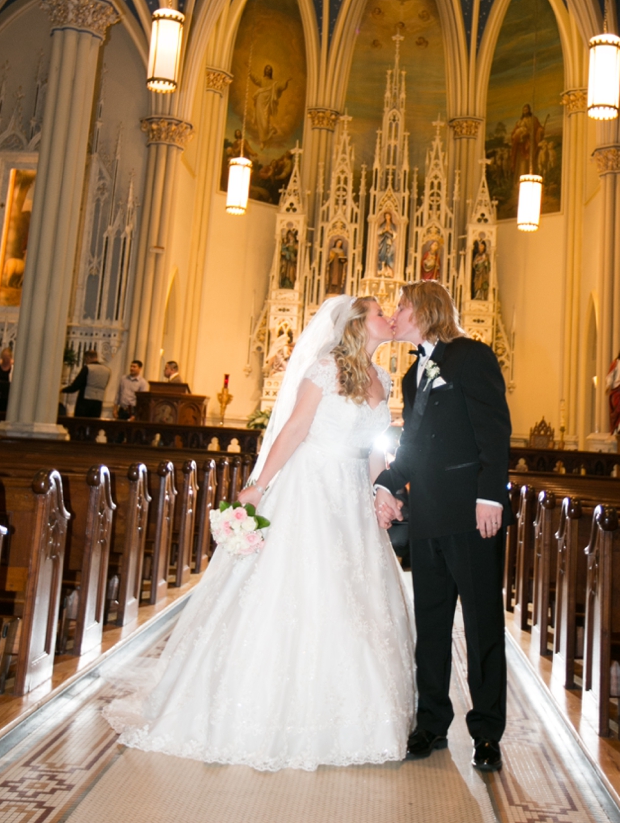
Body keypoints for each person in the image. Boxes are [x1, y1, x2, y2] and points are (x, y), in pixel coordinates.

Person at [103, 295, 415, 771]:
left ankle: (353, 715)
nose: (388, 318)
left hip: (352, 494)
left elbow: (374, 447)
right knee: (303, 590)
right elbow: (293, 431)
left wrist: (381, 492)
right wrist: (257, 487)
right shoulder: (325, 370)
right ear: (357, 324)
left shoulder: (383, 378)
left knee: (354, 595)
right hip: (310, 488)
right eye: (379, 313)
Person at [374, 280, 511, 774]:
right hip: (429, 515)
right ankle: (432, 722)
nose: (397, 312)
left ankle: (487, 732)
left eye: (403, 305)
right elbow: (411, 443)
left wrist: (490, 494)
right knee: (430, 625)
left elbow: (494, 430)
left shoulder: (471, 357)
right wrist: (389, 483)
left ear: (426, 309)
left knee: (481, 626)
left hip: (474, 515)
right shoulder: (414, 377)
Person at [61, 349, 111, 417]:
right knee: (94, 424)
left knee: (81, 423)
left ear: (88, 358)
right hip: (98, 402)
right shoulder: (107, 370)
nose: (86, 362)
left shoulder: (88, 368)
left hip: (85, 401)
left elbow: (76, 386)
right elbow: (105, 385)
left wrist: (63, 390)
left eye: (85, 360)